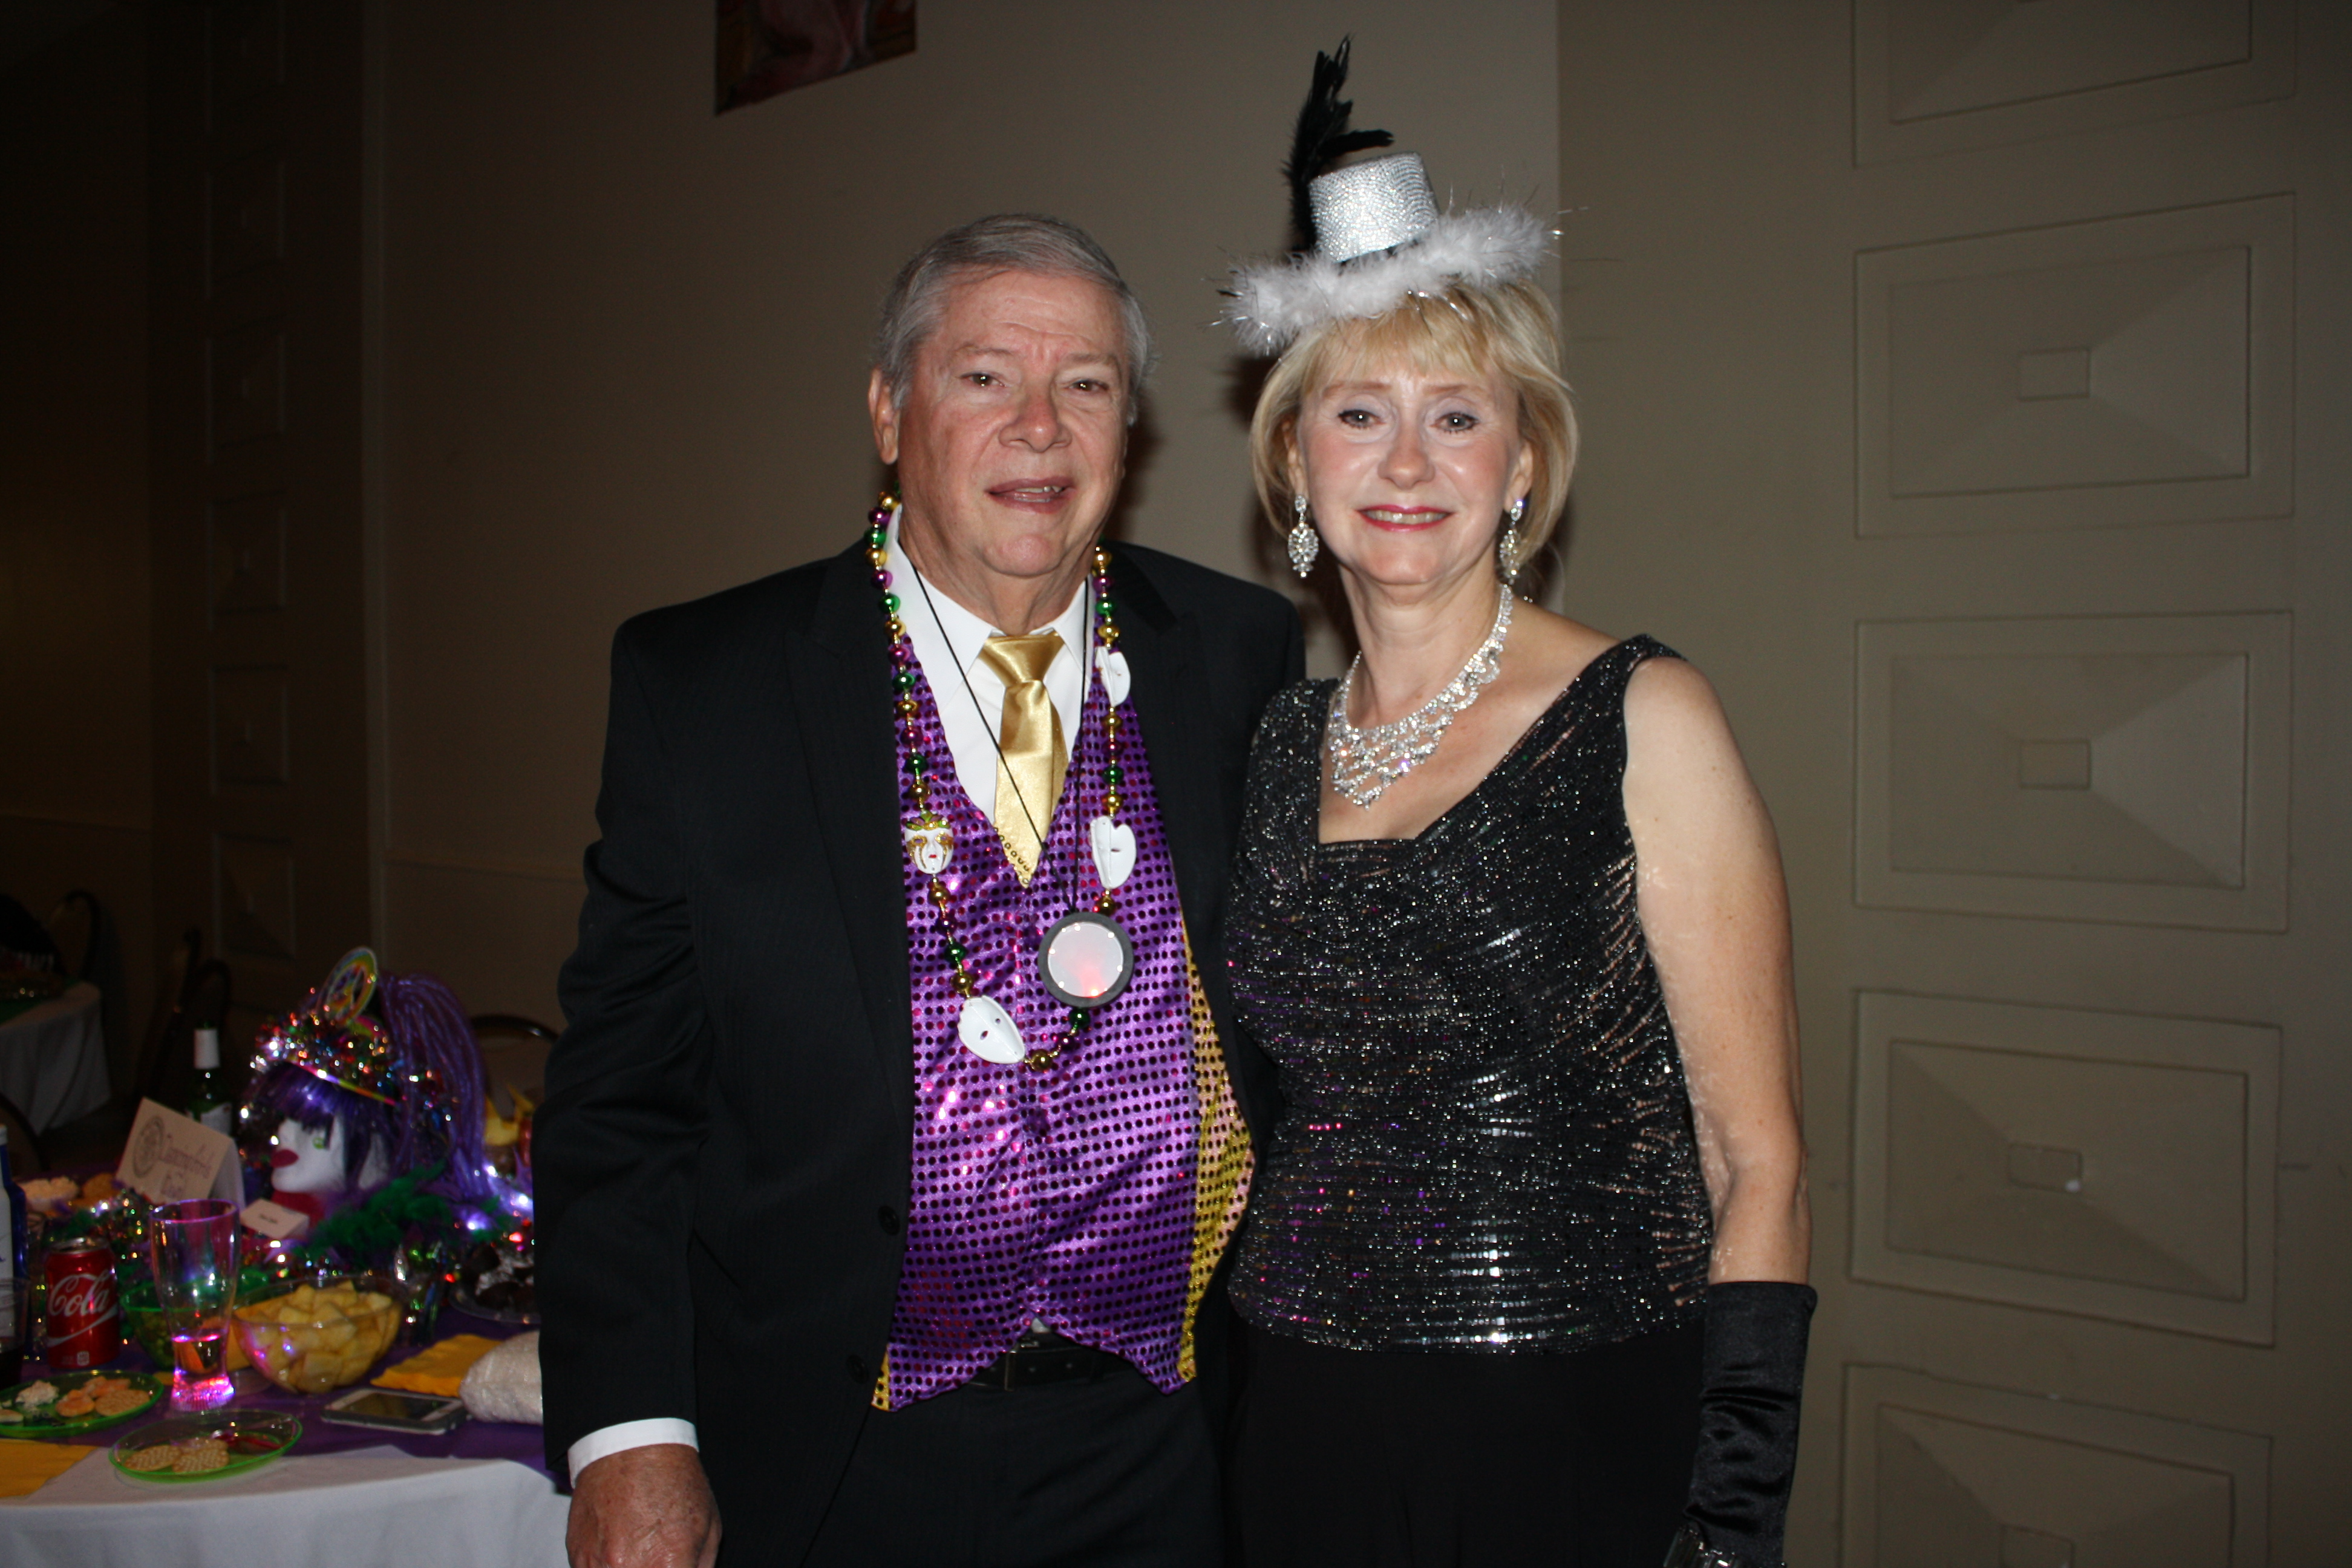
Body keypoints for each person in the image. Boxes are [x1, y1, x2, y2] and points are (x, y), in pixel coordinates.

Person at [538, 214, 1301, 1567]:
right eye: (985, 376)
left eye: (1086, 384)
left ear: (1128, 431)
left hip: (1164, 1452)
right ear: (891, 412)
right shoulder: (704, 688)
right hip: (834, 1458)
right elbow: (622, 1103)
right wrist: (631, 1435)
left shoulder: (1238, 655)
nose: (1040, 426)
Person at [1214, 47, 1813, 1568]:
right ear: (1295, 456)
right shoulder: (1275, 745)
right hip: (1296, 1421)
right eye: (1359, 413)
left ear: (1525, 461)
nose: (1407, 461)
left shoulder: (1642, 715)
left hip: (1575, 1426)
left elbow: (1757, 1159)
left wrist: (1731, 1516)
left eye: (1457, 416)